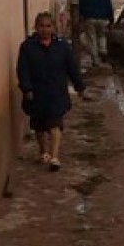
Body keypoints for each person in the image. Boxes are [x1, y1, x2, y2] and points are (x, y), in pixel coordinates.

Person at [16, 11, 86, 172]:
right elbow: (22, 69)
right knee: (39, 125)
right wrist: (26, 88)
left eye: (48, 26)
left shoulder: (62, 47)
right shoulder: (27, 47)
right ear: (36, 27)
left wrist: (79, 86)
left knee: (55, 123)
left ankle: (54, 157)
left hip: (56, 92)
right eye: (41, 26)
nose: (45, 30)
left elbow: (72, 68)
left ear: (53, 28)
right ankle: (43, 151)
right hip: (36, 92)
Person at [77, 0, 114, 67]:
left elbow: (80, 7)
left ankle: (95, 60)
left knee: (92, 39)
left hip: (90, 19)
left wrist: (81, 18)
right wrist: (111, 20)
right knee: (102, 36)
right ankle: (103, 50)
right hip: (103, 19)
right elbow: (110, 8)